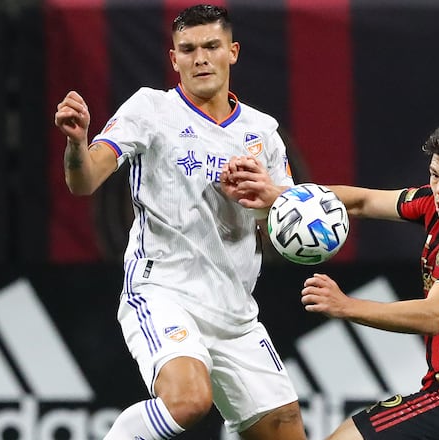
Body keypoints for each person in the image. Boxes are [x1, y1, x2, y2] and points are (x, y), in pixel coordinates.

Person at [54, 5, 305, 440]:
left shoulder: (263, 131)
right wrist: (77, 145)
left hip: (235, 312)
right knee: (188, 400)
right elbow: (85, 181)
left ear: (233, 52)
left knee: (284, 429)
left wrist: (264, 196)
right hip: (163, 292)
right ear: (174, 58)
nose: (200, 58)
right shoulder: (150, 109)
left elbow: (285, 228)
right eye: (188, 49)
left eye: (211, 46)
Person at [222, 118, 439, 439]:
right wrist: (280, 196)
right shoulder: (436, 204)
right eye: (435, 175)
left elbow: (433, 315)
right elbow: (362, 201)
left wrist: (345, 306)